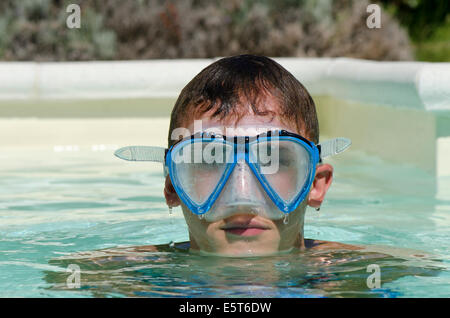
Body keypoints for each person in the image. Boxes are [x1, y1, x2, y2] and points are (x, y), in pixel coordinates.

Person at [115, 54, 352, 257]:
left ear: (315, 184)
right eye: (211, 161)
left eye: (273, 160)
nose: (242, 198)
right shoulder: (119, 278)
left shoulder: (361, 276)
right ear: (174, 187)